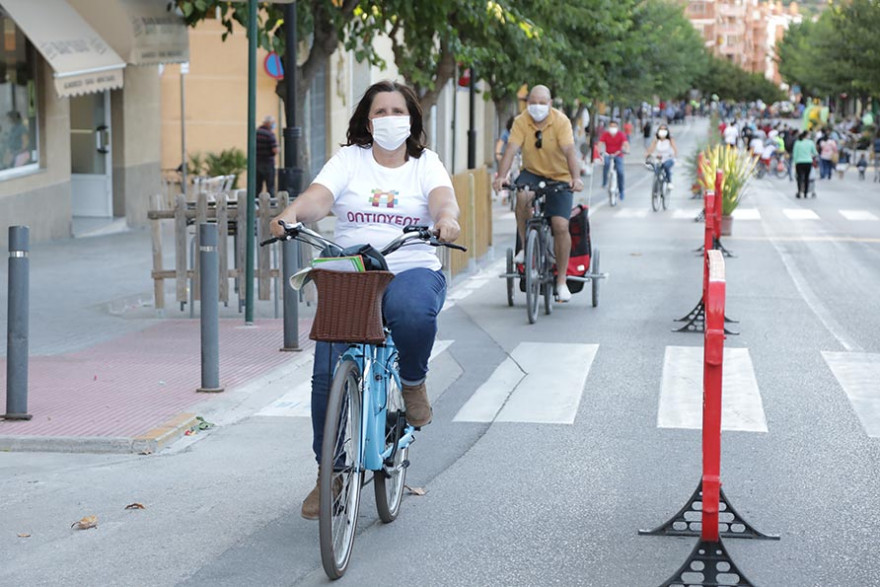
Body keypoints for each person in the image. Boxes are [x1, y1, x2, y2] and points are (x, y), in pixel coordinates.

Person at [269, 80, 461, 520]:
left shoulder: (425, 163)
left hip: (409, 265)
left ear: (410, 118)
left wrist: (446, 220)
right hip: (352, 269)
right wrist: (292, 215)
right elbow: (319, 198)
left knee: (413, 313)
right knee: (326, 372)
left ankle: (412, 382)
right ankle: (330, 472)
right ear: (366, 120)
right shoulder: (350, 160)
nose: (389, 118)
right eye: (380, 111)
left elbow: (442, 200)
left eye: (398, 110)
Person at [492, 84, 583, 303]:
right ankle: (524, 246)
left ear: (550, 104)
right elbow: (511, 149)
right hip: (532, 173)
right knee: (522, 197)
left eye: (542, 102)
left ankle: (561, 282)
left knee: (561, 225)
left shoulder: (561, 122)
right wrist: (501, 176)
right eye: (533, 102)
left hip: (560, 175)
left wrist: (575, 177)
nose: (537, 107)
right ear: (527, 103)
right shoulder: (521, 121)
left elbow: (570, 151)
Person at [598, 119, 630, 200]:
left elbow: (626, 144)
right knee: (606, 164)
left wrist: (627, 150)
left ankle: (621, 190)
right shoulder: (605, 134)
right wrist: (599, 152)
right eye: (611, 126)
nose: (613, 128)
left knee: (620, 172)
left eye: (614, 126)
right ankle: (604, 182)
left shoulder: (621, 134)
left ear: (617, 127)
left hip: (618, 155)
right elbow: (600, 143)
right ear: (609, 127)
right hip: (608, 154)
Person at [644, 123, 678, 189]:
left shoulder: (670, 139)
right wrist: (647, 153)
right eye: (661, 129)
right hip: (659, 159)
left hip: (669, 158)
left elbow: (675, 149)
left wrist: (674, 154)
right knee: (656, 169)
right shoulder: (656, 139)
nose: (662, 131)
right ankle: (657, 187)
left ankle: (669, 182)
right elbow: (651, 148)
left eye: (664, 129)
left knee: (666, 166)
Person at [256, 115, 278, 195]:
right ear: (268, 123)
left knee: (257, 186)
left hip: (257, 162)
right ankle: (271, 204)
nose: (274, 125)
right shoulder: (270, 134)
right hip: (268, 163)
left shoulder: (256, 132)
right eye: (273, 123)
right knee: (270, 186)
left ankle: (256, 203)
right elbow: (274, 150)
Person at [792, 130, 818, 198]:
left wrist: (795, 161)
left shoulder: (797, 143)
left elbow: (795, 153)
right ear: (807, 135)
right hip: (808, 162)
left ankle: (799, 192)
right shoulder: (810, 143)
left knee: (799, 178)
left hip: (799, 162)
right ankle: (805, 193)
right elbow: (815, 153)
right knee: (807, 178)